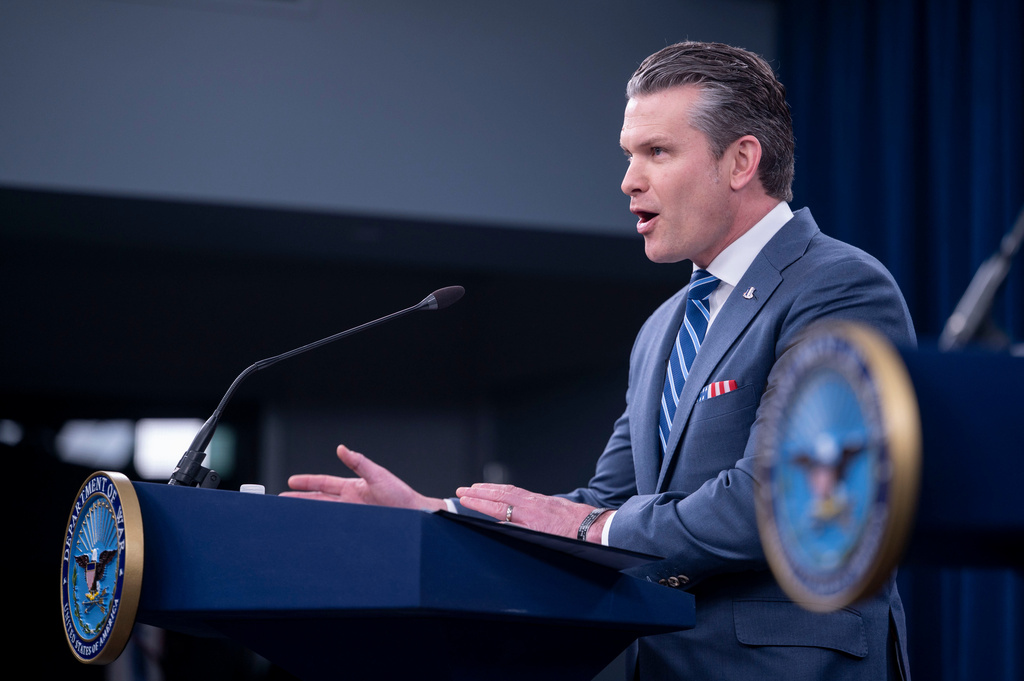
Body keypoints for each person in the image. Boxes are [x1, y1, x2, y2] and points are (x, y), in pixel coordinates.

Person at [285, 41, 914, 680]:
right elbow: (603, 501)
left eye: (657, 152)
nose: (629, 180)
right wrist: (436, 515)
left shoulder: (837, 285)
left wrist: (597, 526)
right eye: (628, 156)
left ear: (741, 160)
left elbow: (787, 498)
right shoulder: (662, 328)